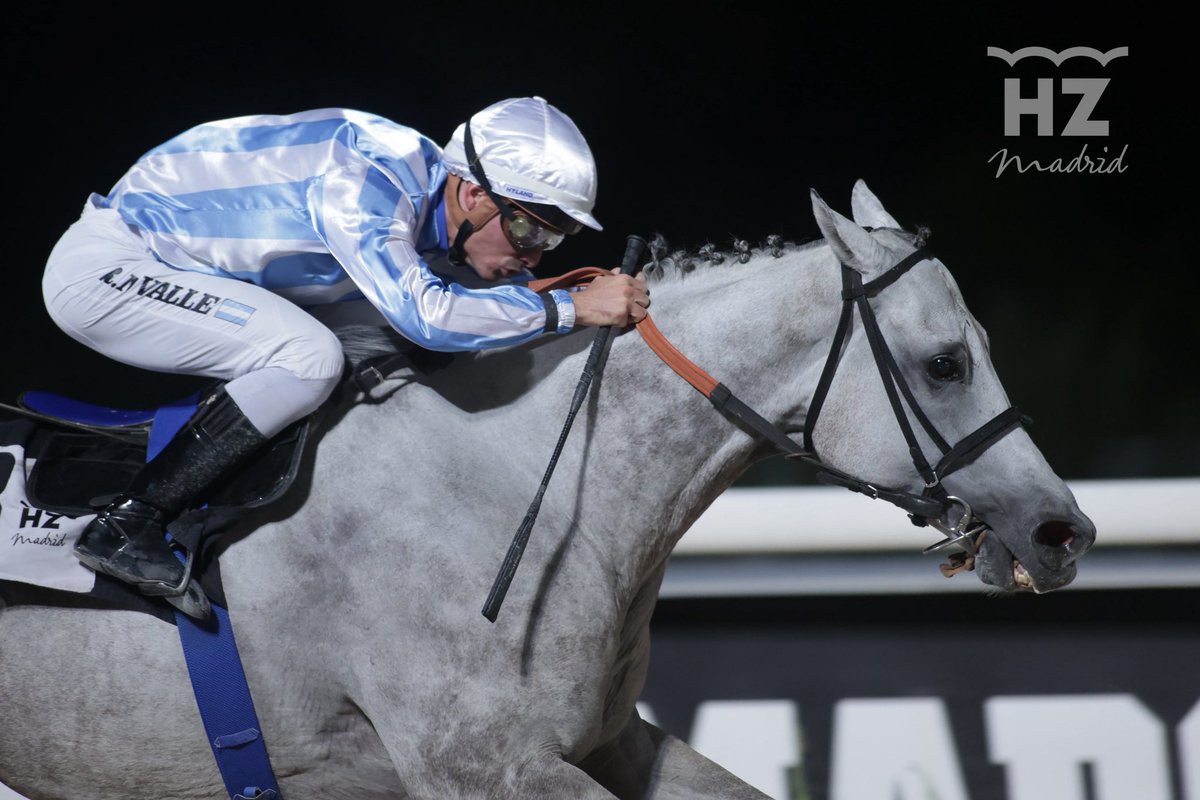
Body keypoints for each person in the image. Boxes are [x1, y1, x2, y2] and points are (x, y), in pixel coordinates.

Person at [41, 96, 649, 619]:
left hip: (187, 267)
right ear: (472, 193)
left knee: (378, 343)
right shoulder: (367, 178)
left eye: (552, 239)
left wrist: (537, 301)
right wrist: (570, 310)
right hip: (111, 269)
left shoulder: (427, 196)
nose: (536, 255)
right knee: (309, 357)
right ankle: (129, 523)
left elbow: (439, 311)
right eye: (530, 231)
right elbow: (431, 316)